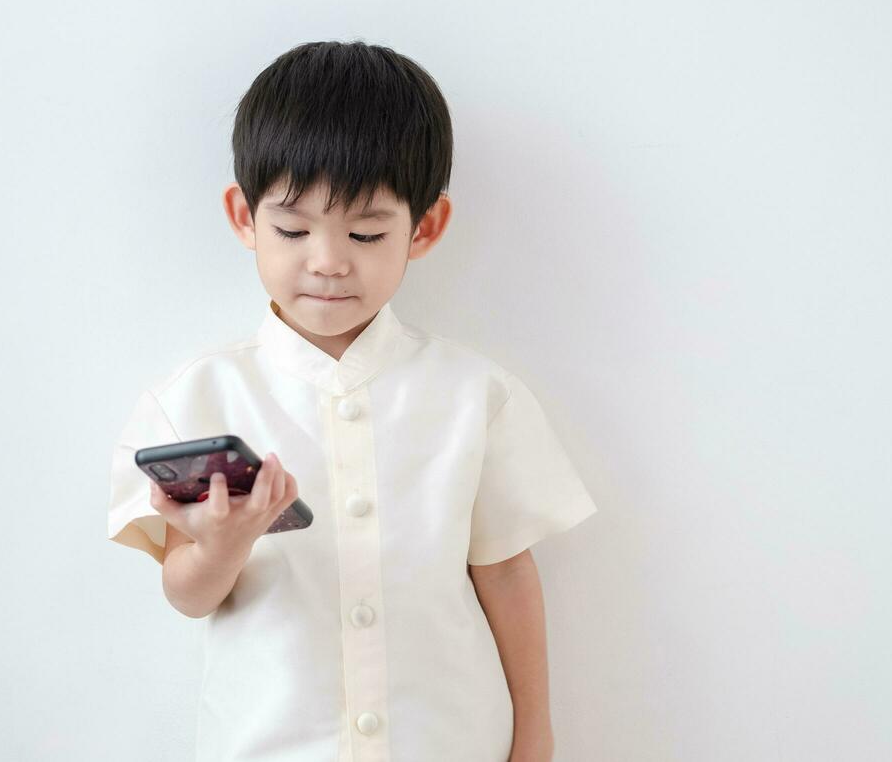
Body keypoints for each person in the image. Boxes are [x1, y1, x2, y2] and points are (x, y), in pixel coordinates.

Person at [105, 40, 598, 762]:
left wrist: (535, 732)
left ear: (423, 228)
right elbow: (188, 595)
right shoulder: (199, 399)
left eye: (366, 232)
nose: (329, 260)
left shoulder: (475, 397)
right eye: (293, 229)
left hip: (449, 742)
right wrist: (223, 543)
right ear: (244, 217)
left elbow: (505, 572)